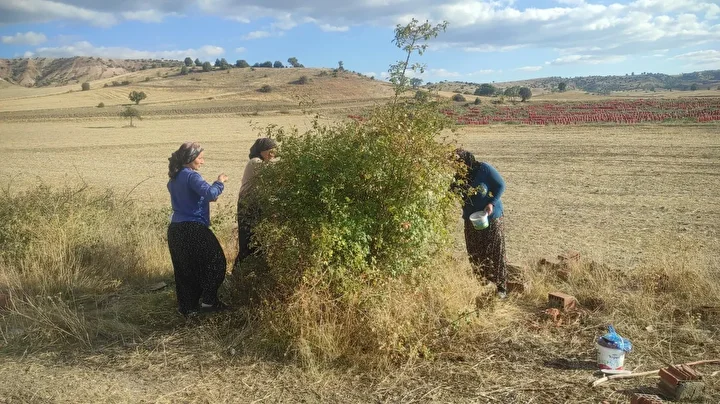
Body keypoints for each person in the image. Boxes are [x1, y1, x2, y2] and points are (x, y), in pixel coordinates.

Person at [167, 142, 229, 317]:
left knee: (185, 270)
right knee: (217, 262)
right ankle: (209, 301)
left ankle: (188, 310)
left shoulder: (174, 177)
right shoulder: (191, 176)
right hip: (193, 227)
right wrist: (219, 182)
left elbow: (192, 197)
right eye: (200, 158)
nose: (203, 161)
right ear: (190, 158)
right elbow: (211, 194)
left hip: (176, 229)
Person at [455, 148, 508, 298]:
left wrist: (492, 203)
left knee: (495, 250)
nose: (457, 167)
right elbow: (452, 192)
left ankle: (501, 287)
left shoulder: (483, 169)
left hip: (491, 216)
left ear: (466, 161)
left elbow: (501, 185)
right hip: (471, 218)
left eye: (459, 163)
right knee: (475, 251)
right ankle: (483, 284)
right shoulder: (458, 177)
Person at [233, 138, 277, 272]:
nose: (273, 154)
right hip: (248, 205)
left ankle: (252, 274)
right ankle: (238, 274)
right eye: (270, 151)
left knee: (258, 242)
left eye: (274, 151)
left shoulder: (262, 162)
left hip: (257, 205)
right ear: (262, 151)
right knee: (247, 242)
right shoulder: (255, 162)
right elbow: (273, 172)